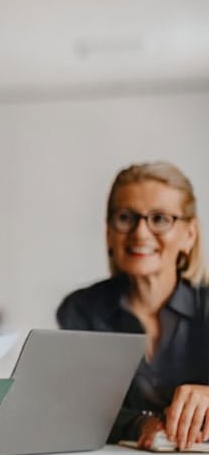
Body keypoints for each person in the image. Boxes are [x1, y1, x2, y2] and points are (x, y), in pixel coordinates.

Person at [58, 161, 209, 451]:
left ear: (189, 235)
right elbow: (78, 408)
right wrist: (141, 424)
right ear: (109, 233)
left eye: (160, 218)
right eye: (126, 217)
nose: (140, 233)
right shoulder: (81, 309)